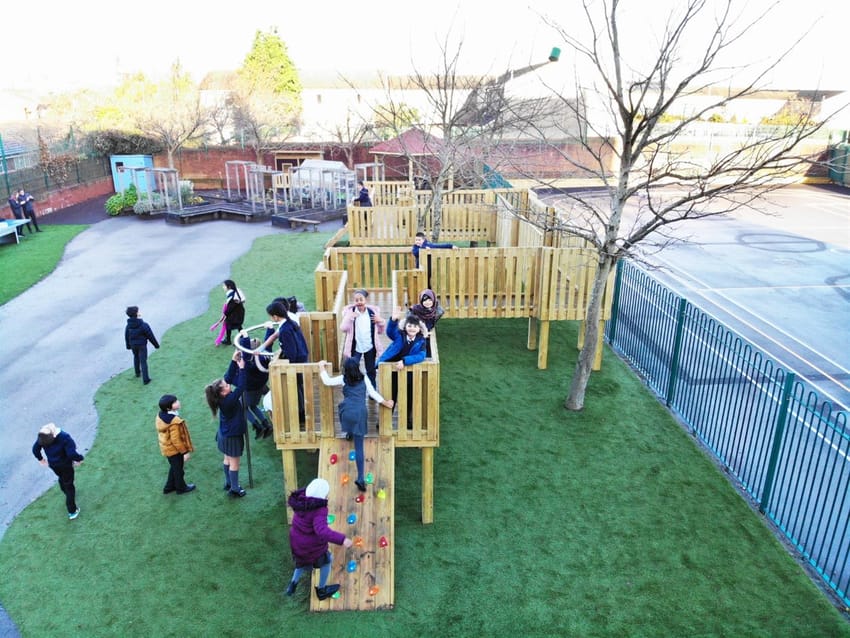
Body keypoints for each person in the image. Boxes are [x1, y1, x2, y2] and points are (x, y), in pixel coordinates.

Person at [318, 359, 393, 491]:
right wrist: (386, 403)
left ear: (345, 369)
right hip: (359, 413)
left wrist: (321, 367)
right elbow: (373, 393)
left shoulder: (343, 379)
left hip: (346, 411)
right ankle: (360, 479)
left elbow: (327, 381)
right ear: (358, 368)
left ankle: (349, 433)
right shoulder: (364, 379)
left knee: (346, 418)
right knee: (359, 448)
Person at [285, 478, 354, 600]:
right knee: (327, 560)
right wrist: (342, 540)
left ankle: (292, 584)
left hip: (296, 542)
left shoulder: (301, 501)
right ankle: (321, 590)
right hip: (310, 546)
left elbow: (308, 521)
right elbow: (321, 531)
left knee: (300, 563)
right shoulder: (319, 510)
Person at [205, 350, 249, 497]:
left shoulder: (222, 397)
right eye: (226, 385)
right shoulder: (229, 400)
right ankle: (235, 488)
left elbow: (228, 378)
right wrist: (241, 368)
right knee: (234, 463)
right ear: (223, 392)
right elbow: (242, 386)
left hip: (224, 434)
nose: (228, 384)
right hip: (232, 436)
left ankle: (229, 482)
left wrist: (233, 361)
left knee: (227, 459)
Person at [377, 307, 427, 429]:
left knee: (409, 397)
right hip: (393, 371)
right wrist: (393, 320)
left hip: (409, 373)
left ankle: (408, 420)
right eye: (409, 325)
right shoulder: (400, 335)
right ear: (405, 327)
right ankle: (385, 420)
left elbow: (421, 356)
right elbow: (390, 332)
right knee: (391, 395)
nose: (412, 328)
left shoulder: (421, 341)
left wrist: (405, 361)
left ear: (419, 329)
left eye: (415, 326)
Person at [260, 300, 310, 424]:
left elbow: (291, 352)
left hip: (296, 363)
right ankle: (302, 412)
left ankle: (301, 414)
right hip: (302, 358)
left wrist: (288, 365)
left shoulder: (285, 330)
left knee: (297, 389)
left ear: (275, 316)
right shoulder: (290, 322)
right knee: (300, 388)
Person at [31, 423, 84, 520]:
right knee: (69, 486)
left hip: (54, 465)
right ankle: (72, 511)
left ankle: (65, 491)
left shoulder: (43, 438)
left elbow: (35, 449)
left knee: (62, 478)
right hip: (65, 466)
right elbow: (72, 453)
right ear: (53, 434)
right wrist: (80, 458)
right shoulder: (64, 437)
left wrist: (41, 460)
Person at [339, 288, 385, 389]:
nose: (359, 302)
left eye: (361, 299)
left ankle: (372, 390)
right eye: (356, 300)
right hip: (355, 346)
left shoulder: (372, 312)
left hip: (370, 346)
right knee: (352, 368)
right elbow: (343, 328)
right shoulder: (350, 312)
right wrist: (350, 317)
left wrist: (380, 321)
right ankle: (352, 390)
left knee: (371, 370)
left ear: (366, 300)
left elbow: (381, 331)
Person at [230, 335, 272, 439]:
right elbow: (269, 343)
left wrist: (244, 340)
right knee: (252, 406)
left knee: (242, 407)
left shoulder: (249, 362)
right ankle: (266, 424)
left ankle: (258, 426)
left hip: (250, 389)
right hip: (259, 387)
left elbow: (239, 375)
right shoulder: (263, 357)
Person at [155, 394, 196, 495]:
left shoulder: (162, 415)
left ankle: (169, 487)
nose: (178, 402)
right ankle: (181, 488)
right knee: (178, 470)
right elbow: (176, 440)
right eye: (175, 402)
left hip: (168, 448)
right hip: (174, 450)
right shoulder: (174, 422)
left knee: (174, 467)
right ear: (169, 407)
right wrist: (185, 452)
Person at [124, 306, 160, 385]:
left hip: (133, 345)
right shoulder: (143, 325)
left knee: (136, 357)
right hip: (142, 346)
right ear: (136, 314)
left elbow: (126, 336)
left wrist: (128, 346)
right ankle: (146, 379)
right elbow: (150, 335)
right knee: (143, 361)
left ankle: (137, 373)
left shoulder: (128, 326)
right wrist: (156, 345)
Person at [409, 288, 444, 357]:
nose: (427, 302)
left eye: (430, 300)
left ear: (433, 300)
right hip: (417, 332)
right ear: (421, 301)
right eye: (424, 300)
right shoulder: (415, 310)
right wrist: (422, 331)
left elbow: (436, 317)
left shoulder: (437, 311)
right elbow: (410, 323)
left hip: (428, 332)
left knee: (428, 347)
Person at [211, 280, 245, 346]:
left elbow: (230, 307)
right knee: (237, 325)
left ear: (229, 287)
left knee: (228, 325)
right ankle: (242, 336)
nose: (223, 287)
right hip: (239, 312)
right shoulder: (235, 292)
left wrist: (225, 314)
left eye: (224, 286)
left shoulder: (232, 296)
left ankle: (228, 340)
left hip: (235, 314)